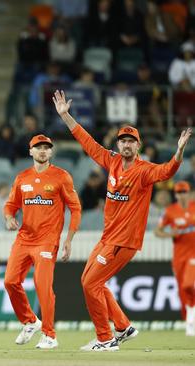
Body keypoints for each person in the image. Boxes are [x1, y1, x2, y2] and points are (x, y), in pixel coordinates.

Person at [52, 89, 192, 351]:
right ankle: (123, 326)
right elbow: (88, 143)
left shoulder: (144, 171)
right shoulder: (112, 161)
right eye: (123, 141)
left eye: (131, 141)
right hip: (108, 238)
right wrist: (66, 116)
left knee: (90, 283)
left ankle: (105, 339)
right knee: (91, 280)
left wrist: (179, 152)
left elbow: (167, 171)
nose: (126, 144)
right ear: (118, 145)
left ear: (138, 145)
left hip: (124, 241)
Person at [3, 134, 81, 349]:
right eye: (38, 147)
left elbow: (75, 208)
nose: (43, 150)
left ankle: (50, 335)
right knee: (10, 281)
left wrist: (69, 239)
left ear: (51, 152)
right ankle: (29, 321)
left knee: (42, 285)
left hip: (47, 241)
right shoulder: (22, 178)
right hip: (24, 239)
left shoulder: (61, 176)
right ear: (30, 152)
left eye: (46, 147)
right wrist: (9, 218)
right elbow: (10, 205)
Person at [154, 181, 195, 336]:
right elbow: (158, 231)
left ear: (189, 193)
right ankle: (189, 320)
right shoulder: (170, 211)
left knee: (188, 285)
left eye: (184, 192)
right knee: (182, 290)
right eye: (179, 192)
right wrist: (171, 234)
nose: (182, 195)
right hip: (179, 256)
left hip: (193, 255)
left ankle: (192, 312)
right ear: (176, 194)